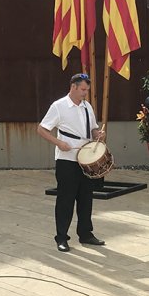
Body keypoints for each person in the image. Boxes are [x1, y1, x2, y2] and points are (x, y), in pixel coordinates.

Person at [37, 73, 106, 252]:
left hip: (85, 159)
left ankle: (86, 233)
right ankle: (61, 237)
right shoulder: (59, 106)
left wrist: (98, 134)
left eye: (87, 90)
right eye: (83, 89)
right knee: (65, 200)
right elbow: (41, 129)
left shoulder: (87, 107)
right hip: (66, 160)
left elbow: (93, 129)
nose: (85, 93)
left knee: (86, 199)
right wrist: (59, 143)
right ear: (73, 87)